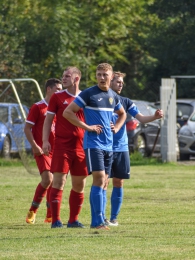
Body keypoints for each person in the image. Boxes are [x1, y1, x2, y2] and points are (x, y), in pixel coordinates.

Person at [63, 63, 126, 230]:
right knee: (98, 179)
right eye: (99, 74)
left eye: (105, 74)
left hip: (109, 145)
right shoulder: (89, 94)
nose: (102, 77)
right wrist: (87, 127)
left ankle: (102, 218)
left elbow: (122, 114)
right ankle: (96, 221)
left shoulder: (113, 95)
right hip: (93, 144)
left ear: (111, 76)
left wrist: (117, 127)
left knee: (105, 181)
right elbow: (68, 112)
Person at [103, 71, 163, 226]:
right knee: (103, 182)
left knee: (119, 182)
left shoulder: (126, 101)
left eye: (122, 82)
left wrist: (155, 117)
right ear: (110, 81)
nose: (121, 84)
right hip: (104, 147)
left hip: (121, 148)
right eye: (118, 82)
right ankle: (101, 217)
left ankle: (114, 218)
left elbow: (141, 118)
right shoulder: (100, 99)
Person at [42, 66, 88, 228]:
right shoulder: (57, 97)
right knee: (58, 182)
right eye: (63, 76)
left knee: (79, 185)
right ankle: (55, 221)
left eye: (67, 76)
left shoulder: (85, 96)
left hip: (82, 147)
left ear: (76, 78)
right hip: (62, 147)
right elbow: (48, 120)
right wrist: (45, 141)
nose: (64, 78)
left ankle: (73, 220)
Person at [24, 78, 62, 224]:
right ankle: (33, 211)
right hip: (42, 150)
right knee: (48, 179)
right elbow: (27, 128)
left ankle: (50, 216)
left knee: (55, 182)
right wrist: (35, 146)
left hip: (57, 151)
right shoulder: (38, 107)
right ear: (49, 89)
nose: (60, 92)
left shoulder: (60, 108)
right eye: (57, 89)